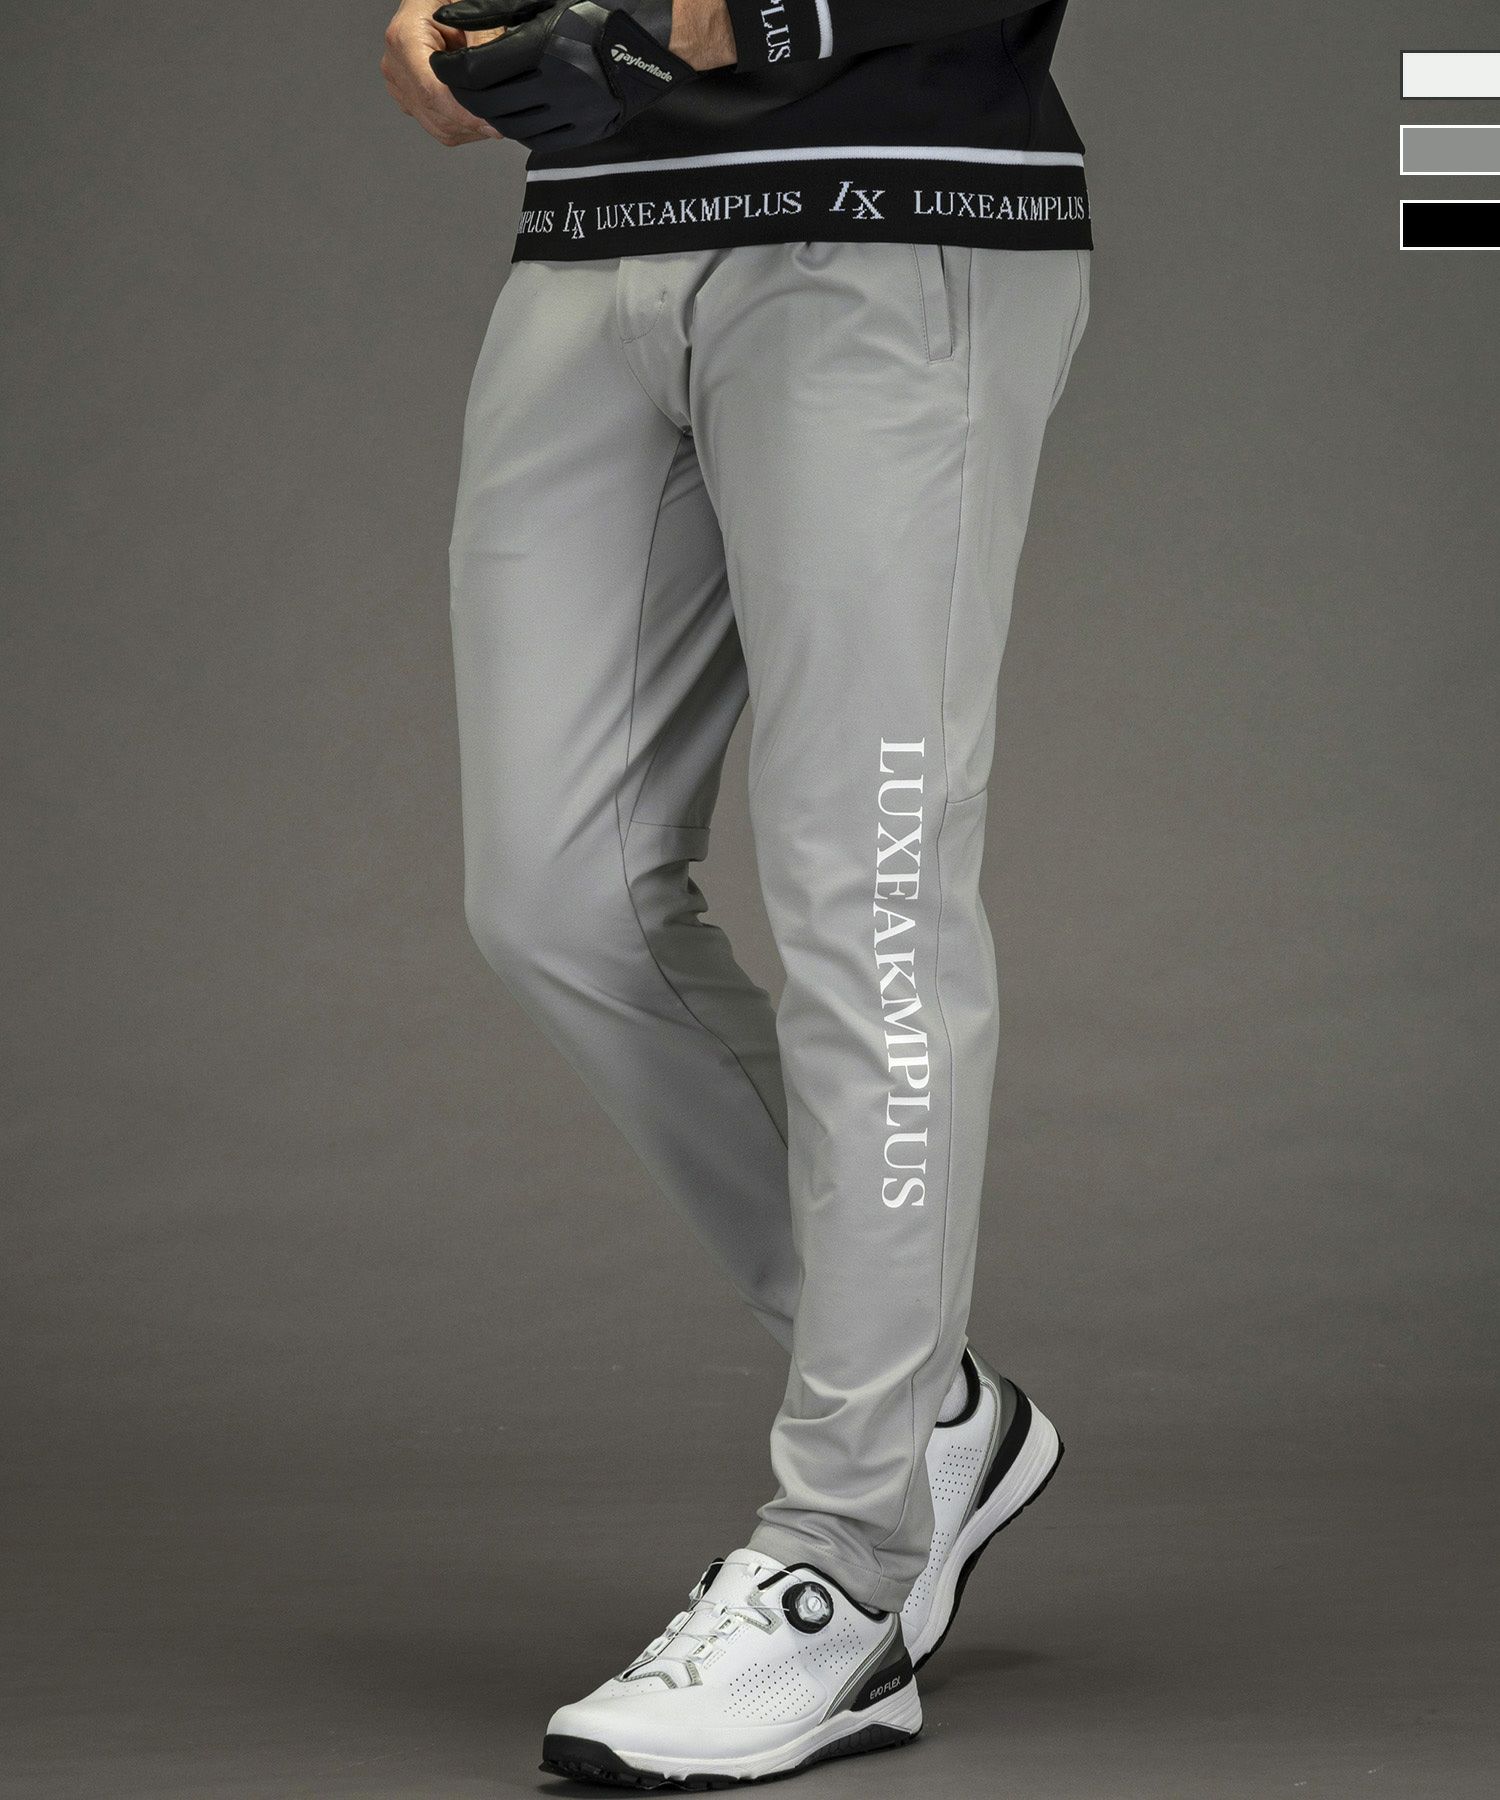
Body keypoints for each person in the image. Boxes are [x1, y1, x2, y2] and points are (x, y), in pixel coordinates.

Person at [381, 1, 1091, 1785]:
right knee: (558, 895)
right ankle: (929, 1412)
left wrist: (753, 12)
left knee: (870, 899)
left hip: (889, 218)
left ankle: (850, 1563)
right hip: (598, 236)